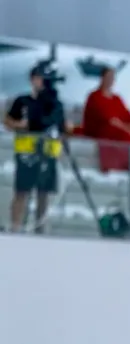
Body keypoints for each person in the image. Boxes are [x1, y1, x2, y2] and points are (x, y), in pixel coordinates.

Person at [6, 64, 66, 233]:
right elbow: (9, 120)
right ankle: (16, 226)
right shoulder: (23, 101)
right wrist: (20, 125)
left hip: (47, 152)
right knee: (22, 191)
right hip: (26, 152)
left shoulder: (54, 104)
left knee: (43, 193)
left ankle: (40, 228)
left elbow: (59, 126)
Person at [82, 67, 130, 174]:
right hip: (104, 130)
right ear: (102, 78)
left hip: (120, 128)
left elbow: (128, 117)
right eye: (108, 77)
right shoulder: (95, 97)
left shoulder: (117, 99)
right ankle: (126, 166)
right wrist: (126, 129)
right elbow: (108, 119)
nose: (110, 80)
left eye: (112, 78)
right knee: (125, 136)